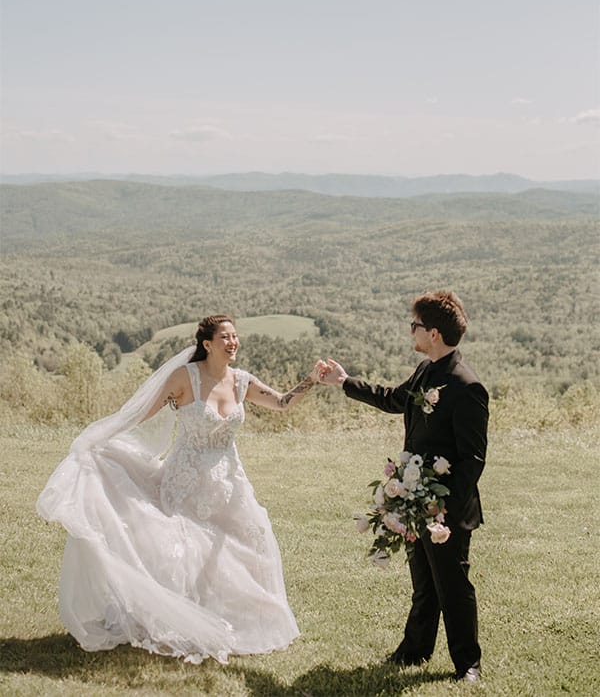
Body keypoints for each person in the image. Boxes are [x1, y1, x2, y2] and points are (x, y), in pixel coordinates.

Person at [37, 314, 326, 664]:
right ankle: (183, 618)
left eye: (235, 336)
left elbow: (282, 403)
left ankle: (236, 619)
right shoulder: (184, 377)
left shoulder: (242, 381)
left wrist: (312, 380)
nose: (233, 342)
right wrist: (100, 436)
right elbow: (141, 413)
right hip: (186, 481)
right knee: (188, 551)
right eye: (226, 337)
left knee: (254, 543)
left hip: (231, 482)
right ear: (207, 344)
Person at [320, 290, 488, 683]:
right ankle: (415, 649)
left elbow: (473, 460)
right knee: (424, 582)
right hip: (415, 499)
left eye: (414, 325)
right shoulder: (425, 371)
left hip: (445, 509)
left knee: (453, 586)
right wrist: (344, 381)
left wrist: (441, 509)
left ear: (432, 333)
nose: (409, 331)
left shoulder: (466, 386)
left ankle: (468, 664)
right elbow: (394, 400)